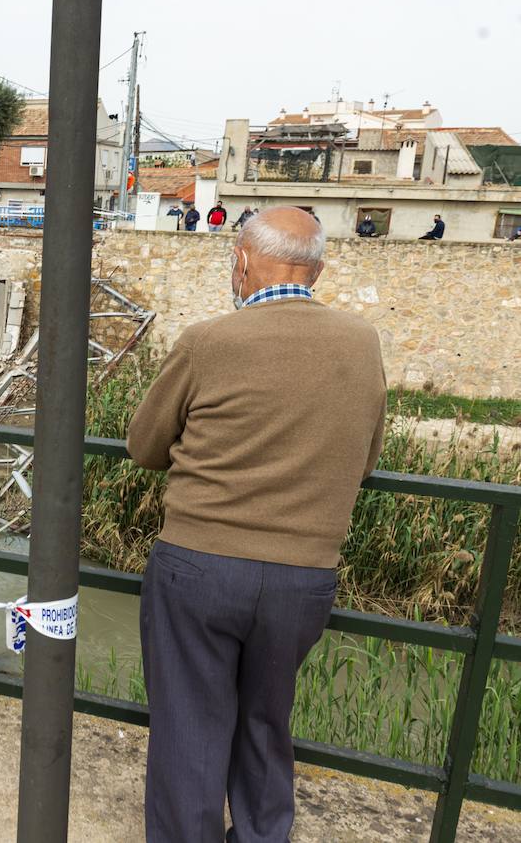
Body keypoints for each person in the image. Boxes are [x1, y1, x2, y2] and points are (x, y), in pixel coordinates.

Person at [127, 206, 386, 842]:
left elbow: (145, 446)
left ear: (241, 261)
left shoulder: (209, 340)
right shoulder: (362, 342)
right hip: (304, 575)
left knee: (189, 726)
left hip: (199, 563)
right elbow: (368, 455)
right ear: (318, 269)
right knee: (267, 724)